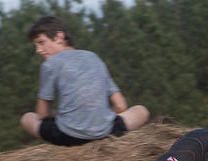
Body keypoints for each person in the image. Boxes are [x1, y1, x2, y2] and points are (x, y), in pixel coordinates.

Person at [19, 15, 149, 146]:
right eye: (36, 45)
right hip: (107, 132)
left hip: (67, 136)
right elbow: (121, 105)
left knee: (27, 118)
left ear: (59, 37)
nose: (38, 50)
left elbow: (42, 114)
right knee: (141, 110)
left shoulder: (50, 64)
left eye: (41, 42)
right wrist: (100, 117)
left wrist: (59, 115)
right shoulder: (94, 57)